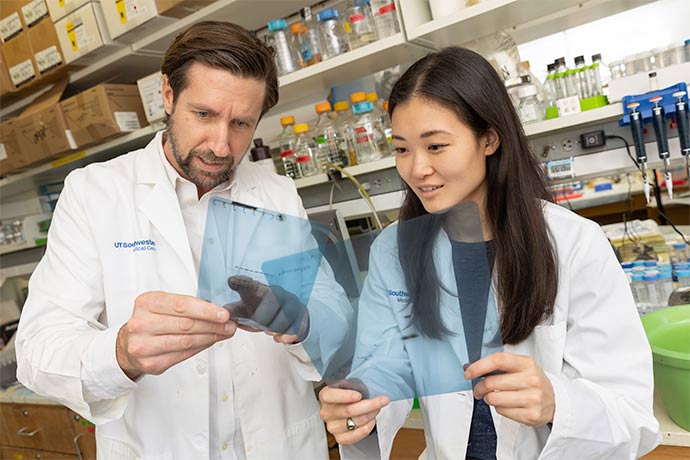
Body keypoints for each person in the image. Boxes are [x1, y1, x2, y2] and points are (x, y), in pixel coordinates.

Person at [16, 21, 352, 459]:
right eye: (204, 114)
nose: (221, 144)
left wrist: (303, 323)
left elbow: (336, 313)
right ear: (169, 96)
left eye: (241, 123)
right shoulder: (95, 192)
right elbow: (38, 347)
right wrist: (120, 353)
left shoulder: (275, 193)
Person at [318, 47, 661, 459]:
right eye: (403, 148)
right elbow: (384, 363)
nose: (416, 169)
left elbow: (632, 416)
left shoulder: (574, 244)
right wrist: (360, 400)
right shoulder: (394, 249)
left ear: (490, 138)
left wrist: (556, 402)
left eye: (436, 146)